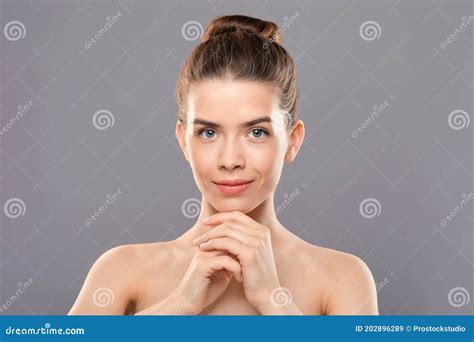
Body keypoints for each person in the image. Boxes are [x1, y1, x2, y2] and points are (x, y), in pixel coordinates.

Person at [68, 14, 378, 315]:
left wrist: (273, 299)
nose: (230, 161)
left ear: (292, 140)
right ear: (183, 140)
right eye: (208, 132)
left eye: (257, 132)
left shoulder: (343, 279)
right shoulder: (122, 271)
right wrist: (181, 304)